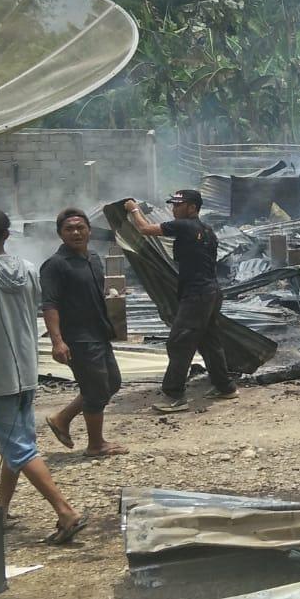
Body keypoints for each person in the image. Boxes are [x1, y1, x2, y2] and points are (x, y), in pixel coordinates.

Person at [0, 206, 86, 543]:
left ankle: (65, 511)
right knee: (15, 442)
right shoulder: (28, 269)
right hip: (27, 369)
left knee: (20, 447)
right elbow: (24, 315)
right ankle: (1, 509)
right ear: (7, 234)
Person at [123, 190, 238, 413]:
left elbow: (145, 229)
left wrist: (133, 209)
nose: (174, 209)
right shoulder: (207, 231)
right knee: (209, 341)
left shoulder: (185, 226)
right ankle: (225, 387)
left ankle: (174, 395)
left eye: (178, 205)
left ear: (192, 208)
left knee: (179, 342)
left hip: (197, 295)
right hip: (211, 292)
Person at [39, 208, 127, 456]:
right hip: (77, 339)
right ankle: (96, 444)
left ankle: (62, 419)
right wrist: (57, 341)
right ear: (60, 234)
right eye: (69, 229)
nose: (76, 232)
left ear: (89, 230)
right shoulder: (55, 265)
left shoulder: (93, 259)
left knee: (111, 383)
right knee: (97, 389)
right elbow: (49, 304)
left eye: (80, 227)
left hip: (99, 333)